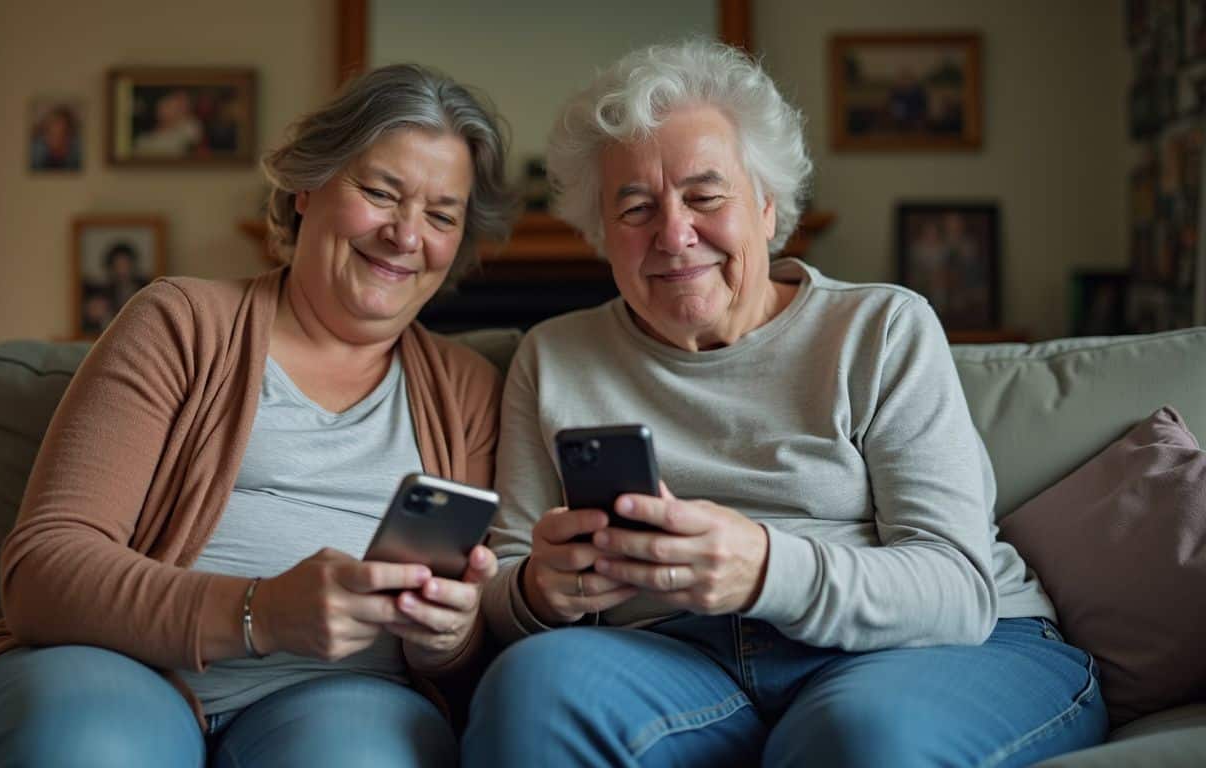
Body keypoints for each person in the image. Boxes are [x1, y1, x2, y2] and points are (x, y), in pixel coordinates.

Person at [465, 41, 1106, 767]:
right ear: (600, 235)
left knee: (859, 738)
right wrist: (543, 590)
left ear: (768, 208)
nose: (674, 235)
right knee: (528, 694)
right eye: (636, 207)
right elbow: (506, 585)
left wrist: (764, 567)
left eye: (706, 197)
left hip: (927, 651)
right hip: (680, 662)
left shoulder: (880, 328)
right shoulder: (552, 358)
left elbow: (957, 589)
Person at [0, 63, 516, 767]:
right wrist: (260, 612)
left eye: (441, 215)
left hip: (345, 698)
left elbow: (474, 663)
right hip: (121, 670)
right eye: (379, 192)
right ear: (306, 187)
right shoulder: (180, 322)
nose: (406, 235)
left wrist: (448, 638)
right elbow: (43, 570)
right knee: (91, 747)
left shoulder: (468, 390)